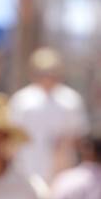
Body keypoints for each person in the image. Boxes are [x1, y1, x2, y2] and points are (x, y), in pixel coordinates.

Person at [9, 47, 88, 183]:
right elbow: (12, 136)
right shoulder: (22, 100)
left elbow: (79, 135)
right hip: (26, 170)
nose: (48, 77)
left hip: (61, 173)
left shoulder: (70, 100)